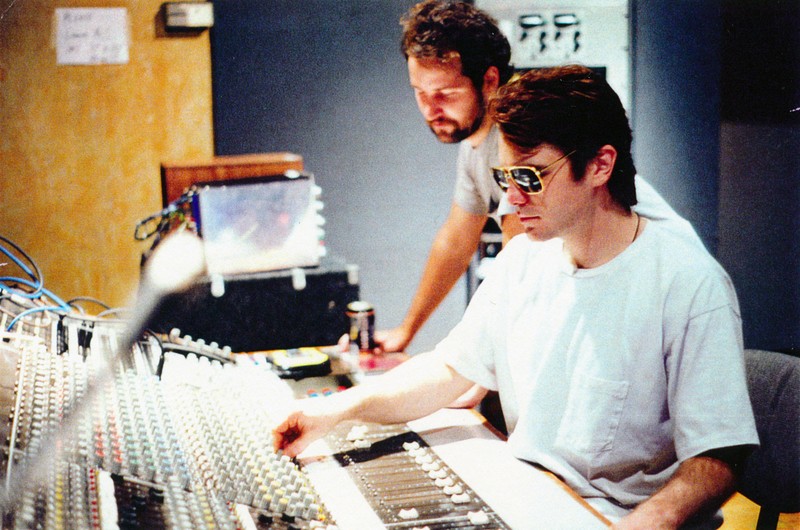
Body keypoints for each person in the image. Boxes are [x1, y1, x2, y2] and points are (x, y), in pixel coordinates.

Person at [274, 65, 758, 529]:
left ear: (600, 165)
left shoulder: (689, 283)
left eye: (530, 177)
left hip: (610, 516)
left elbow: (717, 458)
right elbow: (447, 370)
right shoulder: (523, 260)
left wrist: (647, 522)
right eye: (505, 178)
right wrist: (335, 410)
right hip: (528, 494)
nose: (512, 198)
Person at [377, 0, 701, 356]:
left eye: (445, 94)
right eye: (420, 93)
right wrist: (407, 330)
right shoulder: (477, 142)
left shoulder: (516, 133)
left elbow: (521, 267)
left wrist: (478, 369)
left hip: (662, 294)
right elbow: (456, 241)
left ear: (489, 80)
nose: (430, 109)